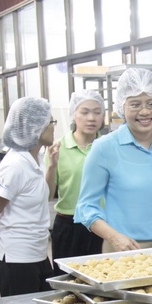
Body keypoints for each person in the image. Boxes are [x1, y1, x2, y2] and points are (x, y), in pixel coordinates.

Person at [74, 68, 152, 252]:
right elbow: (86, 207)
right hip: (125, 250)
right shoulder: (104, 148)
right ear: (122, 107)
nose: (145, 112)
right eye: (135, 104)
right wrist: (114, 237)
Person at [0, 97, 55, 296]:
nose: (53, 127)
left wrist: (52, 165)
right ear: (35, 127)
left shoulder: (35, 159)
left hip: (37, 254)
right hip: (16, 260)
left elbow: (44, 198)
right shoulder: (15, 165)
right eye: (51, 122)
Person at [45, 90, 105, 269]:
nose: (91, 118)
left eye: (97, 112)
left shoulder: (109, 147)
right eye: (84, 112)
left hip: (104, 225)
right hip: (69, 225)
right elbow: (47, 195)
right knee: (68, 279)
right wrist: (51, 166)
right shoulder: (58, 148)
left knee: (104, 276)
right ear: (73, 114)